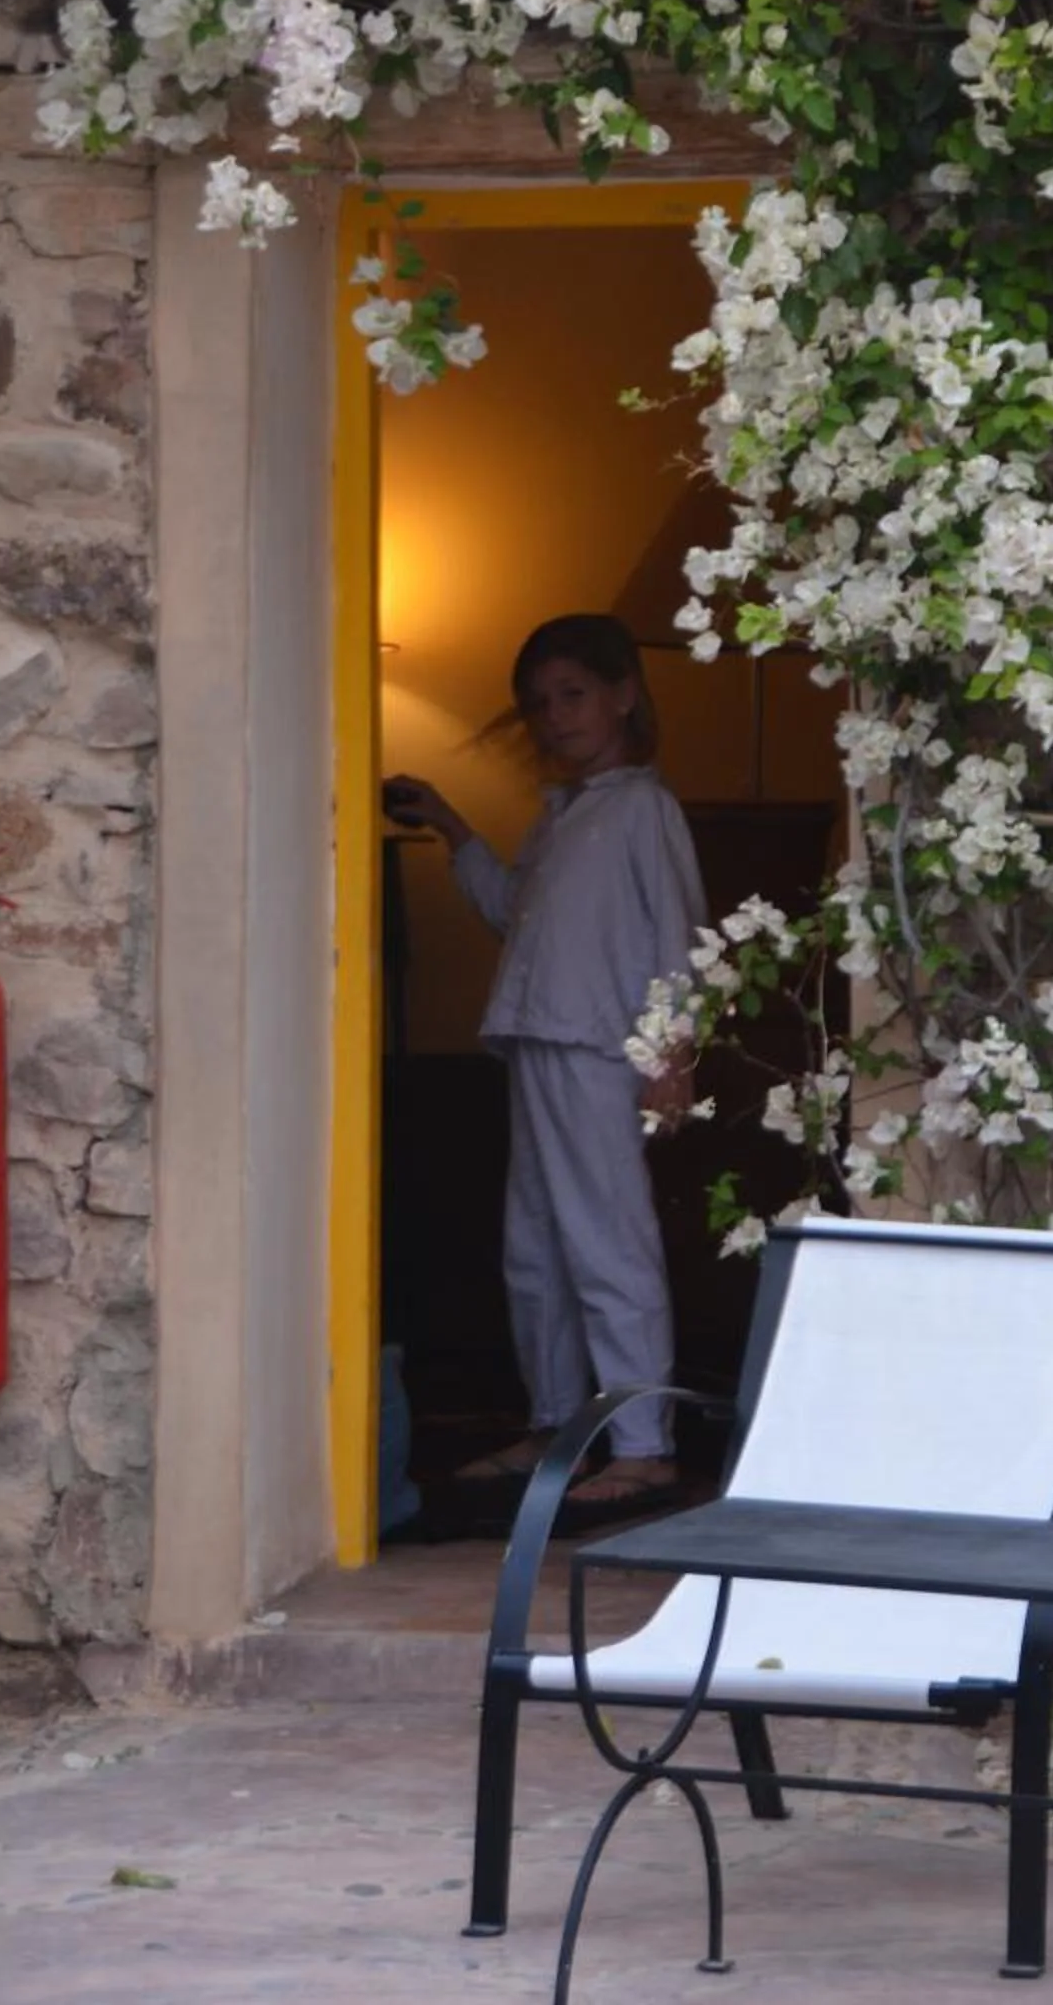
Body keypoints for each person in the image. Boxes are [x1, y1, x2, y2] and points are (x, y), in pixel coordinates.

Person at [383, 613, 707, 1522]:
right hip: (539, 1042)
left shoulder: (644, 808)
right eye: (539, 705)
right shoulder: (564, 815)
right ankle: (560, 1422)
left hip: (606, 1049)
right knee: (536, 1250)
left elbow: (681, 937)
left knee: (609, 1241)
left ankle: (645, 1446)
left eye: (572, 695)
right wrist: (448, 822)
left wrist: (674, 1054)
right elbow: (513, 915)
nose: (556, 717)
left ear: (622, 696)